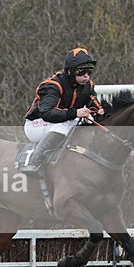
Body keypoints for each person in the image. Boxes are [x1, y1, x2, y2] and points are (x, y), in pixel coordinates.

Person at [21, 47, 104, 175]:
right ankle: (34, 162)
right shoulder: (52, 85)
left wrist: (100, 110)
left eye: (89, 71)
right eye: (82, 71)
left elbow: (94, 103)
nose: (86, 76)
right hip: (38, 123)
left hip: (65, 120)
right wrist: (75, 113)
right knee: (63, 127)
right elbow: (47, 113)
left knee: (89, 125)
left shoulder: (88, 85)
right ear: (70, 71)